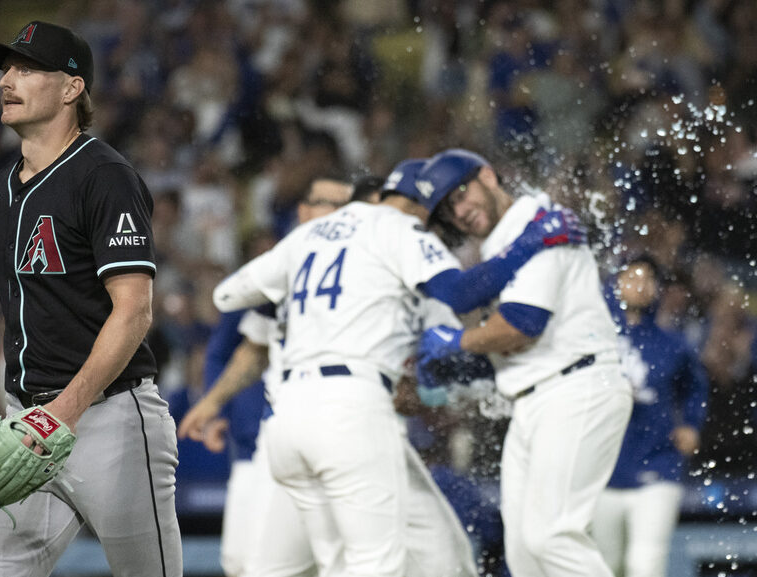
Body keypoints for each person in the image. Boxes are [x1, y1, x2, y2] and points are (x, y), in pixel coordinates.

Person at [209, 157, 581, 576]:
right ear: (419, 202)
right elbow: (459, 294)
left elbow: (226, 296)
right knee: (376, 564)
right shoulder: (398, 227)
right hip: (350, 407)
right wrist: (530, 243)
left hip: (286, 416)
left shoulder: (307, 234)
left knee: (358, 562)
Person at [0, 21, 180, 577]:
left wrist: (62, 413)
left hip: (110, 420)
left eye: (27, 69)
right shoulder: (0, 188)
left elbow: (134, 309)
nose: (7, 81)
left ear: (71, 88)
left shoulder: (104, 176)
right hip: (27, 419)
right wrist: (24, 411)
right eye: (6, 69)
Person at [414, 148, 633, 577]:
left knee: (551, 537)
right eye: (449, 208)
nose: (460, 211)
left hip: (576, 386)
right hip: (537, 397)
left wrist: (458, 340)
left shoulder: (537, 222)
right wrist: (458, 359)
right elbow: (504, 344)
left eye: (461, 194)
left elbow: (522, 326)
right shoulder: (503, 243)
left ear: (488, 177)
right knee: (524, 554)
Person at [188, 176, 353, 577]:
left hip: (338, 426)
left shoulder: (360, 265)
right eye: (325, 202)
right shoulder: (282, 267)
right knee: (248, 562)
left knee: (335, 558)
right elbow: (233, 347)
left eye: (343, 204)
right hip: (268, 434)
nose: (336, 213)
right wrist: (213, 405)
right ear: (303, 211)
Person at [591, 255, 708, 577]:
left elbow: (696, 388)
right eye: (630, 277)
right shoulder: (592, 338)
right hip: (603, 469)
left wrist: (691, 425)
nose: (639, 285)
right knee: (604, 565)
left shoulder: (672, 343)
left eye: (647, 279)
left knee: (646, 565)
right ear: (614, 284)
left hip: (659, 464)